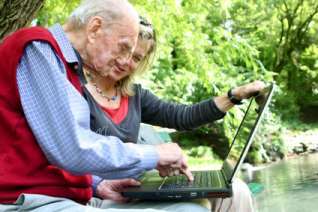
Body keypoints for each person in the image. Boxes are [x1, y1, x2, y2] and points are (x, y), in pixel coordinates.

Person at [0, 0, 206, 211]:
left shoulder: (67, 66)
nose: (126, 61)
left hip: (70, 198)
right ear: (94, 29)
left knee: (195, 203)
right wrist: (154, 155)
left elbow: (52, 148)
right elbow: (73, 149)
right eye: (123, 47)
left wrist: (98, 183)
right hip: (25, 200)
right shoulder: (37, 48)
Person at [79, 16, 264, 211]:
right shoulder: (76, 92)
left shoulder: (135, 96)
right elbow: (62, 154)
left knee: (237, 190)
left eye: (136, 57)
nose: (126, 61)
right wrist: (96, 183)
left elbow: (182, 116)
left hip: (137, 187)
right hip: (101, 195)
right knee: (195, 207)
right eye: (125, 50)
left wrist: (234, 96)